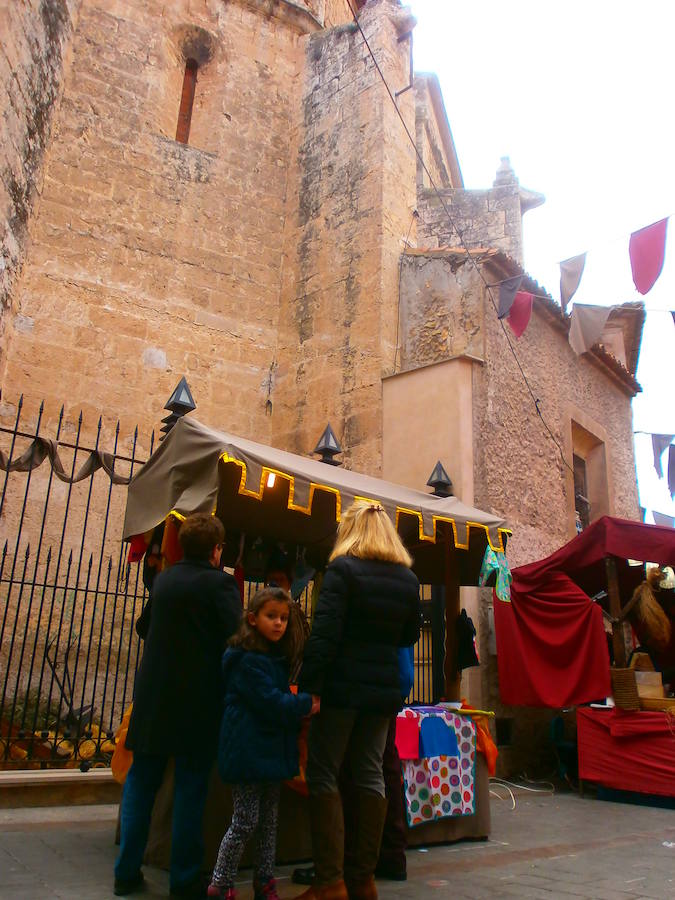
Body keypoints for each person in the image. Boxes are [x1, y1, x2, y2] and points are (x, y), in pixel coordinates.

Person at [297, 500, 422, 900]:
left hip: (342, 689)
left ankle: (330, 881)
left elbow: (325, 633)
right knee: (371, 772)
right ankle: (363, 880)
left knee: (323, 771)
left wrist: (310, 686)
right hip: (383, 691)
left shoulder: (342, 570)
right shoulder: (407, 579)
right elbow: (408, 637)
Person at [114, 513, 242, 899]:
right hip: (196, 702)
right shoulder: (220, 586)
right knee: (190, 789)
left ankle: (126, 871)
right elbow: (234, 638)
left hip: (154, 698)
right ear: (216, 550)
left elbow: (144, 627)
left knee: (141, 784)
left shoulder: (165, 579)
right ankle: (184, 878)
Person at [208, 587, 320, 900]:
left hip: (269, 750)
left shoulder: (275, 658)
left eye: (284, 618)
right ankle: (221, 882)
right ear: (253, 619)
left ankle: (265, 881)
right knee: (245, 820)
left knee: (269, 822)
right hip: (248, 750)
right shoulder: (246, 659)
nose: (279, 623)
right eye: (272, 616)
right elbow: (270, 702)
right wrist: (304, 704)